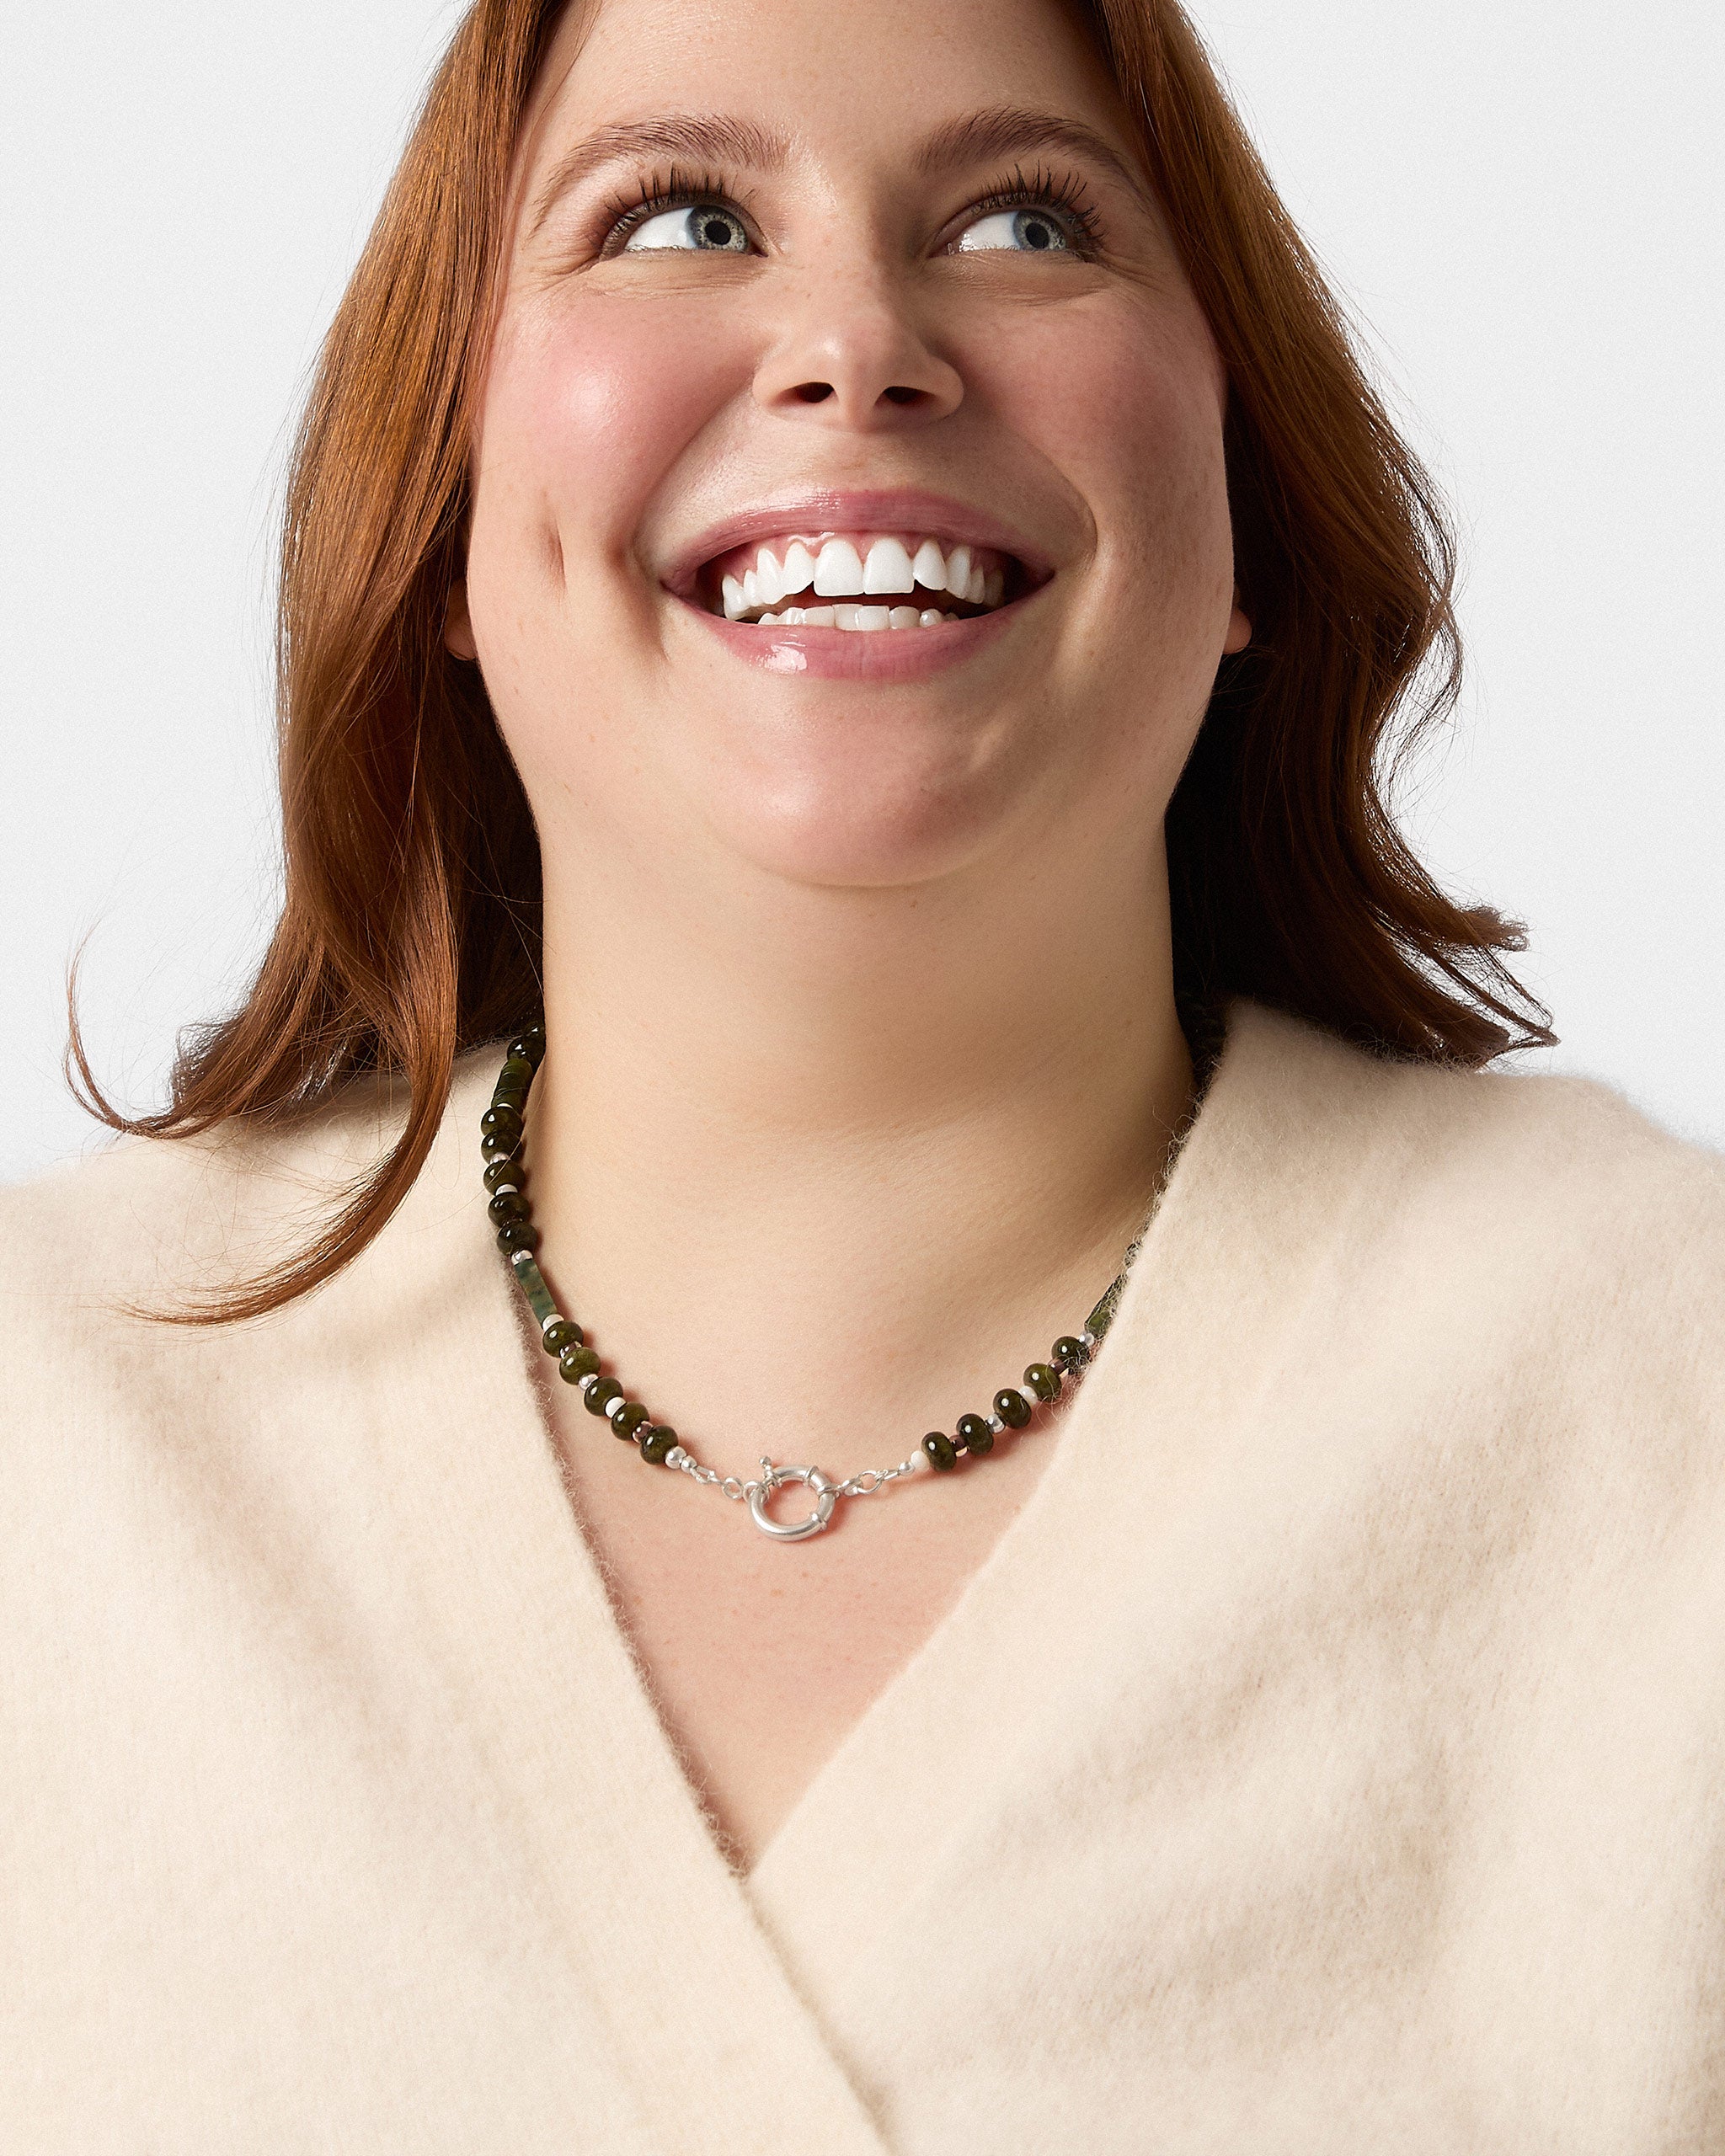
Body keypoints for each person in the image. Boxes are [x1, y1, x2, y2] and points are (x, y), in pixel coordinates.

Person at [4, 0, 1721, 2147]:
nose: (855, 346)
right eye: (678, 217)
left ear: (1249, 517)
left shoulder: (1676, 1405)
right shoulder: (43, 1437)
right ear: (442, 521)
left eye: (1024, 222)